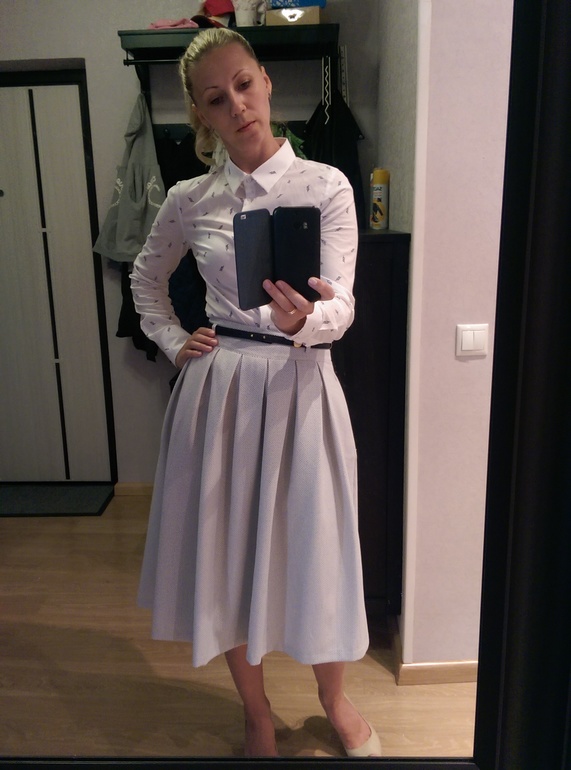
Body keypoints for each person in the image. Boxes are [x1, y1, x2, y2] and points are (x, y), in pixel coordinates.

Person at [130, 27, 381, 758]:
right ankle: (257, 714)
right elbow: (145, 280)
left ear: (265, 82)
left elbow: (343, 304)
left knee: (318, 547)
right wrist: (175, 340)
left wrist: (309, 321)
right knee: (229, 556)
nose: (236, 105)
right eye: (216, 98)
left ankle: (333, 700)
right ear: (201, 114)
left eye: (243, 84)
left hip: (302, 385)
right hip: (222, 394)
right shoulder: (189, 198)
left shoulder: (326, 185)